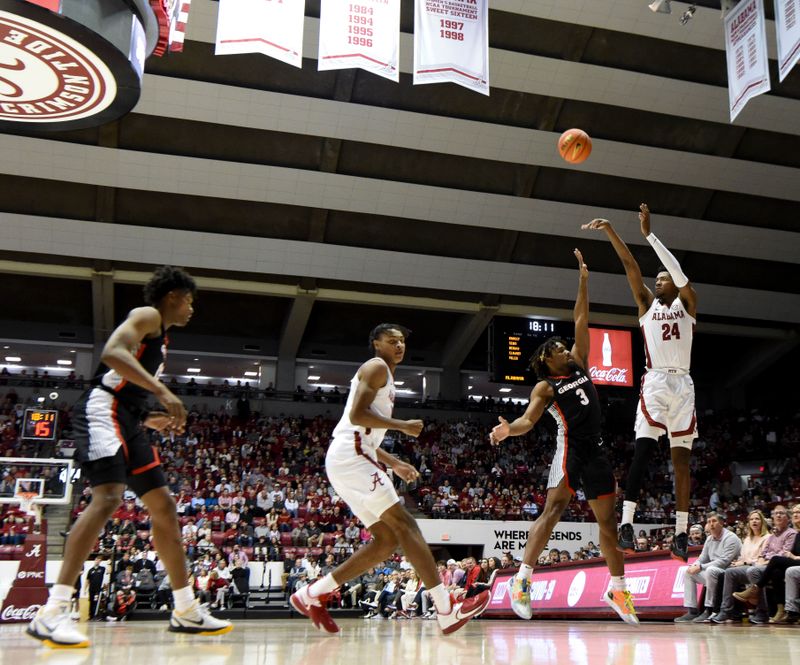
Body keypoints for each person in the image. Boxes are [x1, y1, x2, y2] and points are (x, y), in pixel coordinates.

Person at [27, 267, 231, 649]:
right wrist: (163, 393)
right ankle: (52, 612)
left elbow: (126, 386)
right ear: (173, 295)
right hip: (101, 411)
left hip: (126, 418)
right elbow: (112, 354)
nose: (191, 308)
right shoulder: (147, 315)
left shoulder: (162, 336)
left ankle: (185, 609)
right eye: (189, 300)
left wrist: (149, 417)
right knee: (107, 497)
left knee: (164, 507)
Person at [290, 323, 490, 635]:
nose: (399, 345)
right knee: (406, 525)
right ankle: (445, 608)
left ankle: (312, 593)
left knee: (386, 541)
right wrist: (402, 426)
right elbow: (357, 416)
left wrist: (394, 462)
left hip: (351, 456)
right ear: (376, 344)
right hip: (351, 456)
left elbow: (363, 433)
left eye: (402, 341)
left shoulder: (384, 374)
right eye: (391, 340)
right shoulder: (376, 366)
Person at [491, 249, 638, 626]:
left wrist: (584, 281)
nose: (563, 349)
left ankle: (618, 589)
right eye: (557, 350)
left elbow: (580, 318)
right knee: (553, 511)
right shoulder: (545, 386)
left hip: (598, 452)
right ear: (546, 362)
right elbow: (527, 420)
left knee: (608, 524)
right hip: (569, 452)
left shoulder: (580, 364)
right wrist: (509, 430)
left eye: (562, 346)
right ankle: (521, 581)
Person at [583, 204, 698, 562]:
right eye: (658, 278)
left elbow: (681, 276)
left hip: (684, 387)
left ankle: (681, 533)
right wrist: (612, 232)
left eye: (663, 277)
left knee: (682, 463)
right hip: (656, 382)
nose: (659, 279)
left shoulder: (688, 304)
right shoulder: (646, 304)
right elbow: (631, 266)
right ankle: (628, 522)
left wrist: (650, 234)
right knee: (644, 452)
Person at [673, 513, 740, 623]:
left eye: (714, 521)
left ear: (722, 523)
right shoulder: (709, 539)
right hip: (714, 572)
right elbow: (702, 557)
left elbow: (724, 562)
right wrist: (694, 565)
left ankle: (709, 609)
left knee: (710, 570)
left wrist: (700, 566)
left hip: (728, 572)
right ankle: (692, 611)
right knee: (688, 572)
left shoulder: (731, 538)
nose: (711, 524)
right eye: (709, 522)